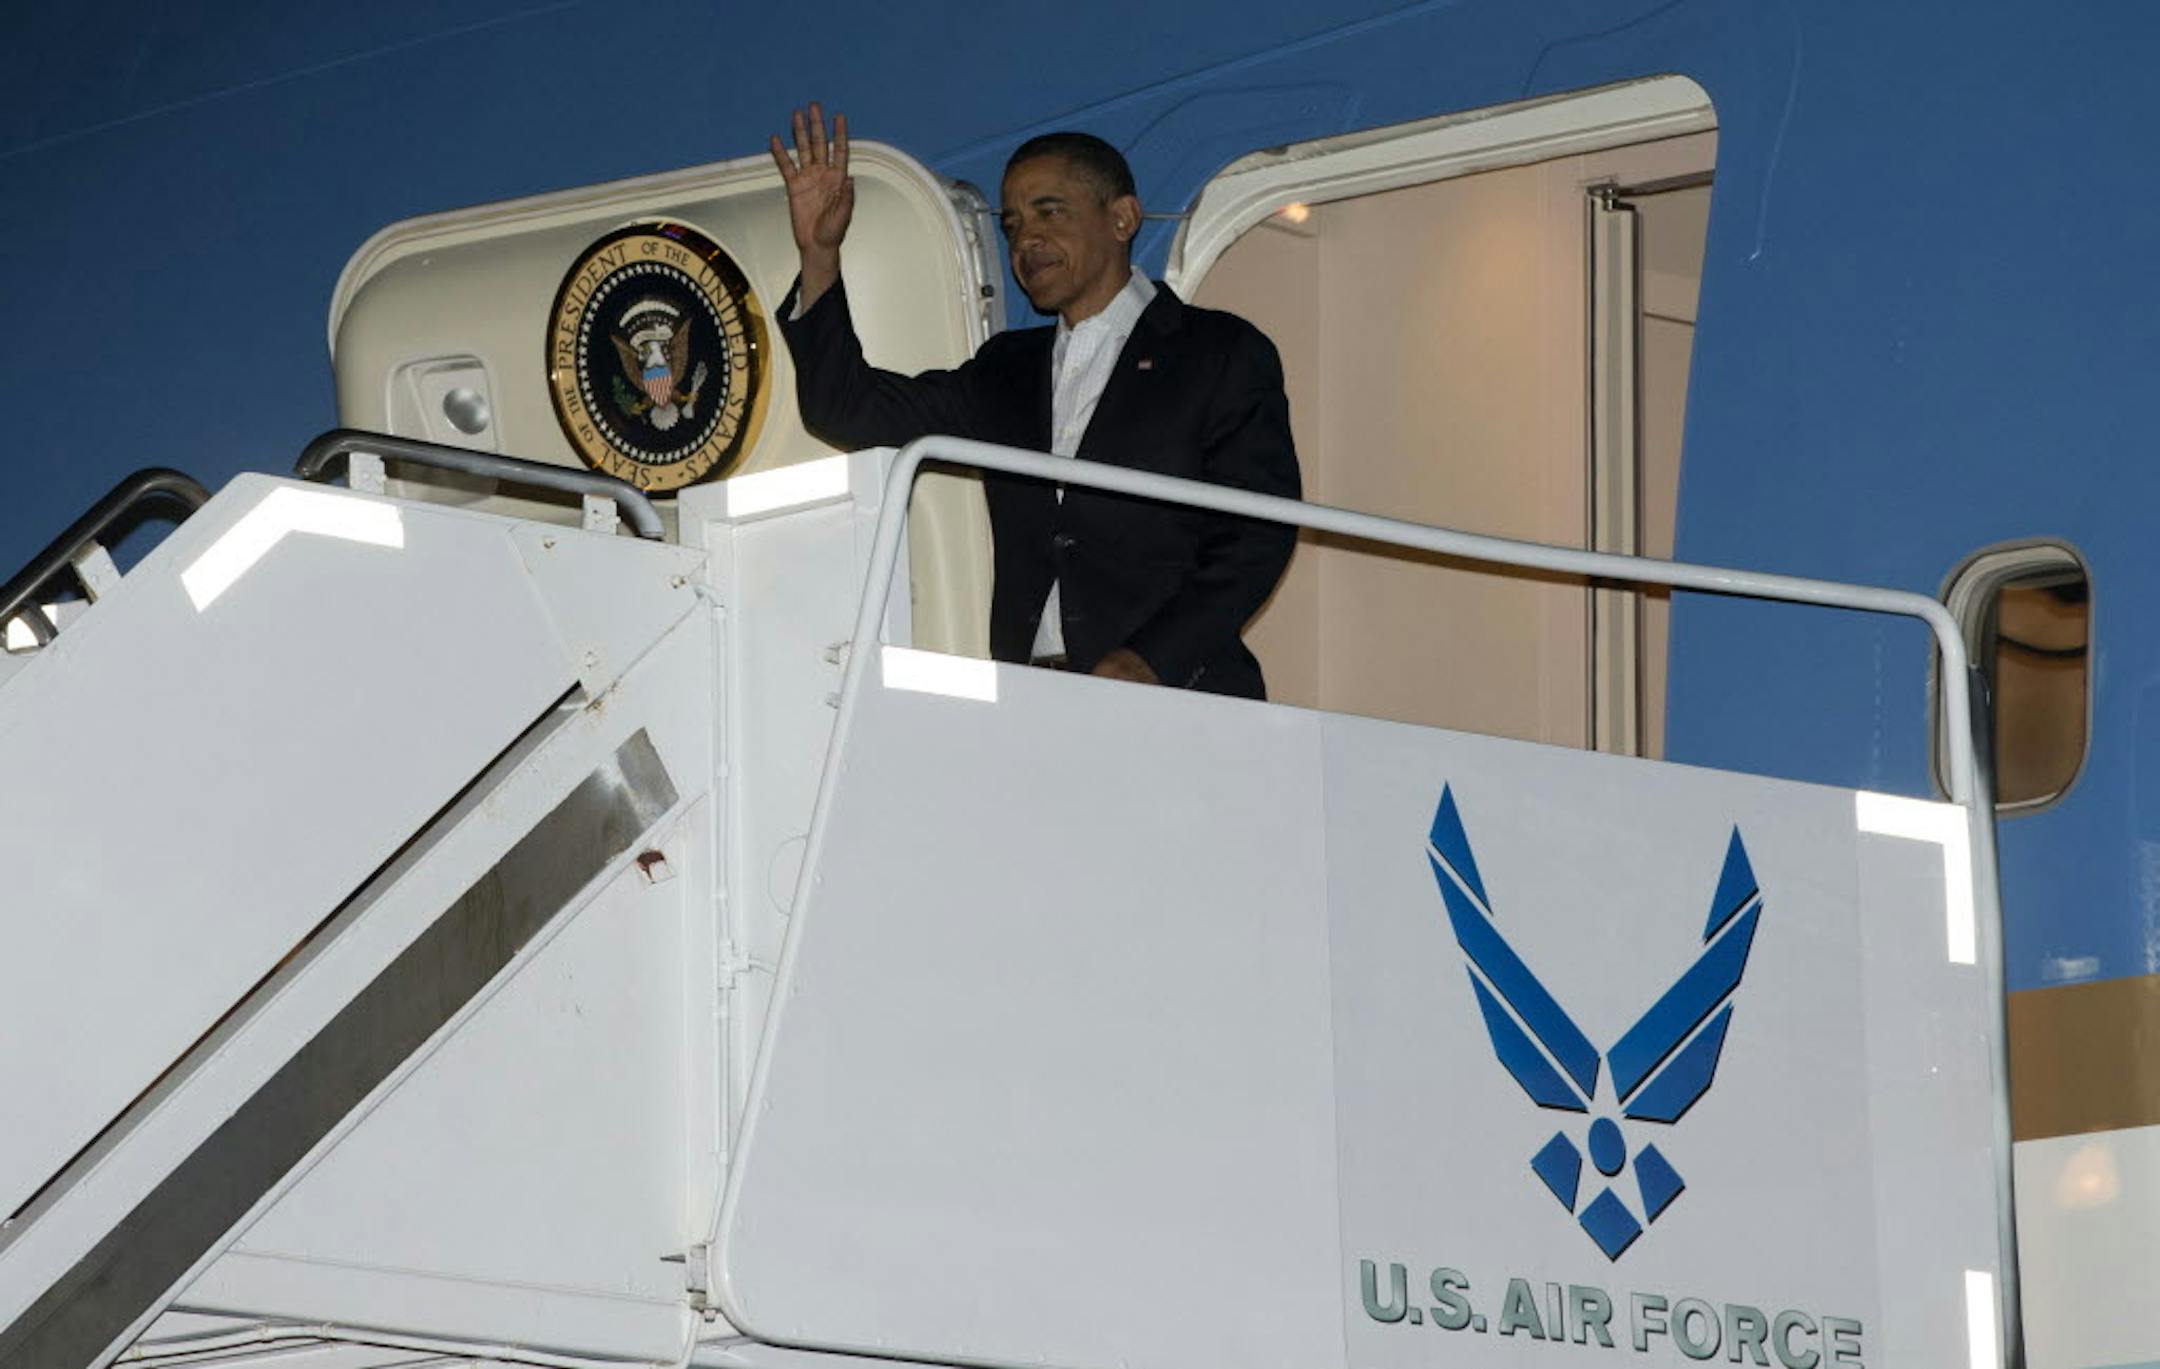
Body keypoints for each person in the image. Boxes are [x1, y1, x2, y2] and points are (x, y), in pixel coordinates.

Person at [769, 104, 1300, 698]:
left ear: (1122, 218)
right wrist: (819, 256)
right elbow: (845, 409)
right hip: (1031, 699)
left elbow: (1258, 535)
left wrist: (1149, 658)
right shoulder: (1006, 369)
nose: (1027, 239)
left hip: (1181, 693)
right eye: (1014, 224)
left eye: (1050, 212)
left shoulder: (1218, 351)